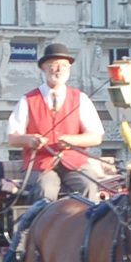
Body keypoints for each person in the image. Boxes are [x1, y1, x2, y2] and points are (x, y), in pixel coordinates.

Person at [6, 42, 106, 202]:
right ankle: (43, 225)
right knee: (45, 190)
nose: (59, 70)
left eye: (64, 66)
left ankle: (85, 225)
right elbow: (12, 137)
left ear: (69, 70)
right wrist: (30, 140)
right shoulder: (28, 100)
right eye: (54, 65)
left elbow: (96, 136)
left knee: (88, 185)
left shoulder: (80, 98)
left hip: (75, 162)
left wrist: (72, 140)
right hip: (41, 164)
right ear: (44, 68)